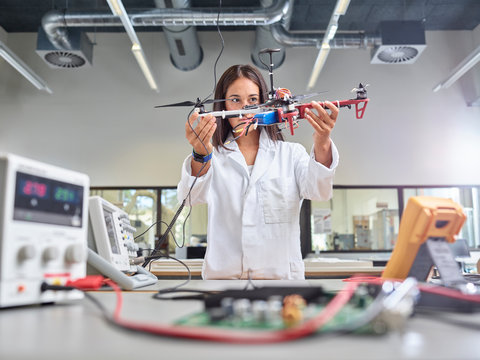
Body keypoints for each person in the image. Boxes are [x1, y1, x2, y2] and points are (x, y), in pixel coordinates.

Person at [177, 64, 339, 280]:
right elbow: (190, 198)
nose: (245, 107)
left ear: (265, 103)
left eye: (253, 99)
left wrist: (322, 141)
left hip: (280, 282)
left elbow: (320, 192)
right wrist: (200, 152)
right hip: (224, 282)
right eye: (235, 99)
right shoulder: (213, 156)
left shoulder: (290, 155)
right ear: (222, 104)